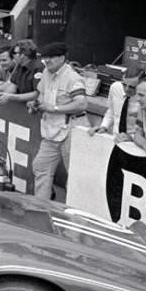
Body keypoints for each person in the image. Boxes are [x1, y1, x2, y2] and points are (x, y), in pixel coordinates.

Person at [29, 42, 87, 200]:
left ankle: (73, 212)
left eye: (51, 57)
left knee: (74, 175)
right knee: (40, 167)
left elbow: (81, 104)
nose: (47, 61)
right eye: (45, 57)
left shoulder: (72, 77)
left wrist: (53, 108)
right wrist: (36, 104)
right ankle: (41, 207)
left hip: (72, 130)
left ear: (62, 58)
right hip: (51, 131)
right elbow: (40, 94)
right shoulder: (46, 73)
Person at [89, 66, 143, 139]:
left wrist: (131, 137)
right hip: (116, 138)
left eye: (132, 87)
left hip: (135, 142)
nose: (126, 89)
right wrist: (104, 126)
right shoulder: (115, 87)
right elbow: (112, 111)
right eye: (124, 84)